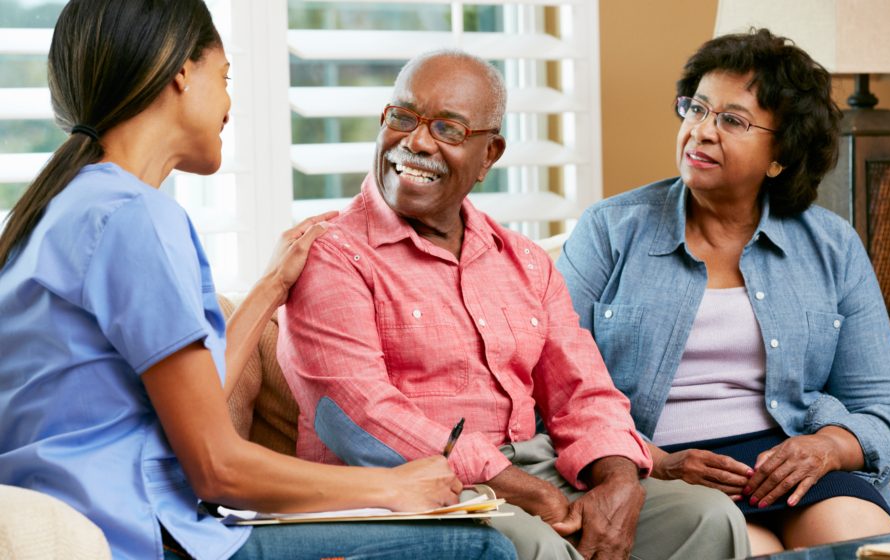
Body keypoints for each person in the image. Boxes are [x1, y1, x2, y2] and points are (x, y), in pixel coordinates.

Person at [0, 2, 518, 560]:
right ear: (181, 73)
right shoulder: (136, 218)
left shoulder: (51, 211)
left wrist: (272, 285)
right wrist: (393, 487)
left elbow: (191, 404)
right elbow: (216, 467)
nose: (228, 105)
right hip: (143, 536)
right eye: (224, 78)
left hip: (86, 515)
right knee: (477, 549)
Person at [277, 48, 750, 560]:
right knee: (537, 545)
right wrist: (517, 487)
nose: (415, 142)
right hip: (413, 491)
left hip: (539, 471)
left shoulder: (523, 259)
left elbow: (583, 391)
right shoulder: (331, 254)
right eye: (403, 118)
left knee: (709, 518)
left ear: (489, 156)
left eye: (449, 130)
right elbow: (358, 417)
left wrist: (617, 480)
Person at [555, 28, 890, 555]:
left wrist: (827, 447)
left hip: (790, 464)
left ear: (781, 155)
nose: (701, 132)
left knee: (858, 544)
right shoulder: (610, 231)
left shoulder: (832, 245)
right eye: (696, 109)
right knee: (749, 548)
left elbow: (889, 408)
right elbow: (554, 387)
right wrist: (654, 462)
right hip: (664, 468)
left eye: (732, 120)